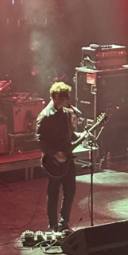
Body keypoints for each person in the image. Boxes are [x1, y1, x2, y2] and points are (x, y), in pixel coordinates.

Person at [36, 81, 80, 232]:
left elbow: (71, 135)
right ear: (56, 96)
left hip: (67, 159)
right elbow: (39, 139)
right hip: (52, 161)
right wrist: (55, 153)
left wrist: (83, 135)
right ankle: (53, 224)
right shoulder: (45, 116)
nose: (68, 99)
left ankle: (64, 222)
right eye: (65, 97)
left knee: (70, 190)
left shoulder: (67, 113)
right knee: (53, 192)